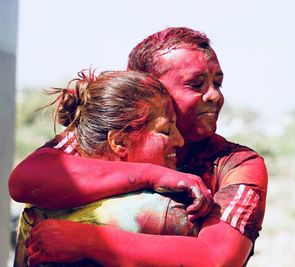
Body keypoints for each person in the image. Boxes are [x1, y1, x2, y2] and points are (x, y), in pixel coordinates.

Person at [10, 27, 268, 266]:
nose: (215, 95)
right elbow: (24, 181)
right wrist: (154, 175)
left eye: (217, 83)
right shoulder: (113, 134)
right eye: (196, 84)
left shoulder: (236, 163)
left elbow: (217, 259)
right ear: (147, 88)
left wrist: (84, 240)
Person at [14, 69, 208, 266]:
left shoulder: (44, 200)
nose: (180, 141)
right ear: (120, 142)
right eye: (165, 131)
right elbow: (20, 179)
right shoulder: (166, 211)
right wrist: (153, 174)